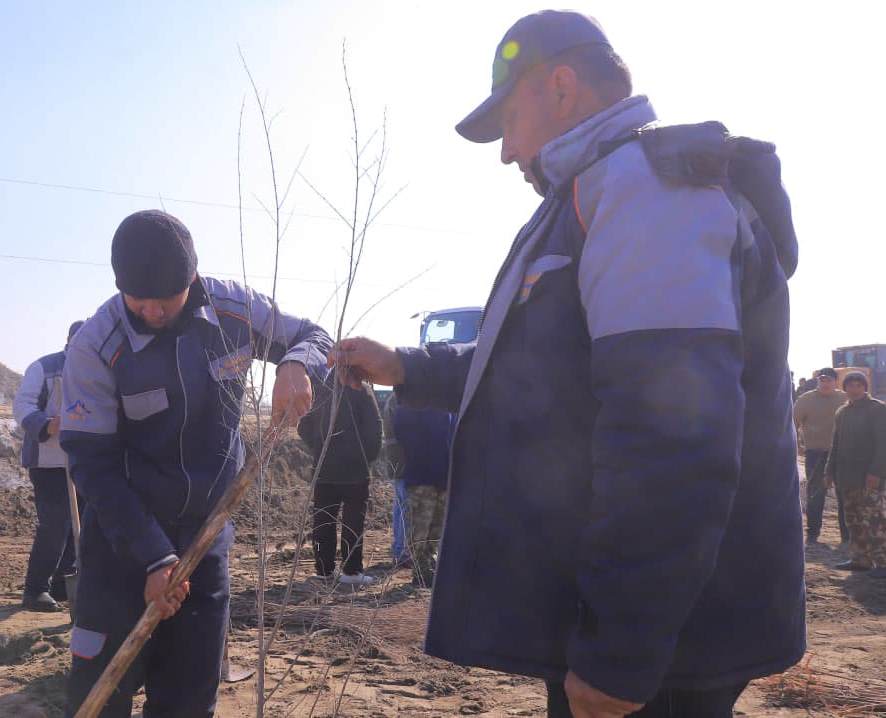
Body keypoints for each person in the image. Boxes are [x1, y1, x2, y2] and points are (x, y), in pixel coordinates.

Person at [328, 10, 805, 717]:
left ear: (559, 87)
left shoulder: (648, 196)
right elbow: (542, 368)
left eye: (507, 121)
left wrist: (620, 654)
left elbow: (671, 441)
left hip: (663, 649)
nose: (503, 152)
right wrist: (405, 366)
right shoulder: (597, 192)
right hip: (633, 624)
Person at [59, 209, 331, 717]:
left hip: (205, 545)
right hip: (121, 550)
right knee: (98, 698)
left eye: (166, 299)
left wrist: (297, 363)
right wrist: (152, 557)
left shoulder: (234, 311)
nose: (153, 311)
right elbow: (92, 467)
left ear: (193, 280)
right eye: (138, 300)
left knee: (187, 702)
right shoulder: (97, 344)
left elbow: (314, 336)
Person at [12, 319, 85, 612]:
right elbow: (22, 405)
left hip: (86, 459)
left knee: (84, 524)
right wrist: (48, 424)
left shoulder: (102, 369)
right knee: (56, 523)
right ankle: (35, 589)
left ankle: (62, 581)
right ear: (69, 340)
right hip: (48, 460)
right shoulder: (44, 367)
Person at [296, 369, 383, 585]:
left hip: (324, 470)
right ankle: (351, 572)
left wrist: (319, 447)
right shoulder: (361, 390)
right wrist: (366, 457)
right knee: (353, 522)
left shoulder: (320, 390)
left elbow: (303, 426)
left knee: (322, 521)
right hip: (355, 472)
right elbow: (375, 428)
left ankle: (323, 570)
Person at [826, 372, 886, 578]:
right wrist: (829, 472)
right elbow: (836, 445)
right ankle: (861, 560)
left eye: (858, 385)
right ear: (845, 388)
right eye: (850, 385)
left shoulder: (878, 410)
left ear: (865, 387)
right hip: (846, 477)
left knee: (873, 520)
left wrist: (877, 472)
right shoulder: (842, 412)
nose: (854, 389)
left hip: (868, 478)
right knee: (853, 521)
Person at [393, 404, 454, 587]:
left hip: (443, 476)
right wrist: (419, 451)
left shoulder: (447, 402)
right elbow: (401, 429)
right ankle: (420, 572)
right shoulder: (412, 400)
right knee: (420, 527)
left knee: (437, 526)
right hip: (421, 474)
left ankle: (431, 568)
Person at [794, 367, 849, 546]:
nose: (825, 384)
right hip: (815, 453)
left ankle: (847, 535)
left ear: (835, 382)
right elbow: (791, 422)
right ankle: (813, 532)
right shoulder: (806, 399)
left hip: (842, 453)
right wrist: (797, 444)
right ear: (818, 381)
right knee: (815, 494)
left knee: (844, 494)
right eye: (822, 381)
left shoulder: (845, 399)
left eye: (828, 381)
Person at [381, 393, 411, 565]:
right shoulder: (401, 399)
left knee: (400, 504)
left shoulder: (394, 399)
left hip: (396, 458)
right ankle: (402, 551)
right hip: (403, 457)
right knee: (405, 504)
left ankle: (398, 548)